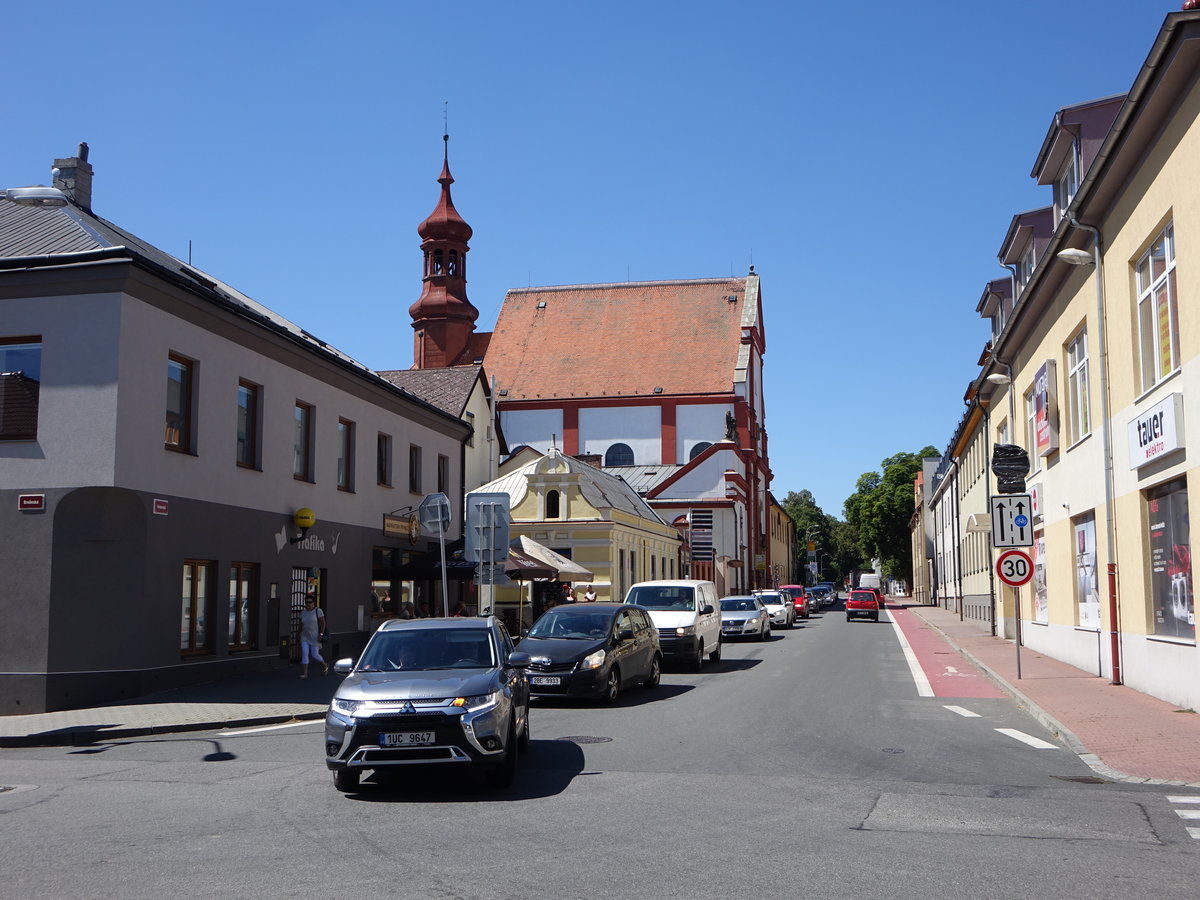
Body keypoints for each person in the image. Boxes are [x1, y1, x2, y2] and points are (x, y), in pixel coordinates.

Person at [298, 594, 328, 678]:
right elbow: (300, 625)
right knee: (305, 653)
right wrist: (298, 634)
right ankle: (305, 673)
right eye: (306, 602)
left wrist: (321, 634)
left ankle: (324, 664)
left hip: (315, 636)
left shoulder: (318, 611)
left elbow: (323, 623)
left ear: (313, 602)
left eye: (310, 602)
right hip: (304, 636)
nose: (308, 604)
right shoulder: (303, 613)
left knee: (314, 654)